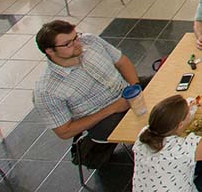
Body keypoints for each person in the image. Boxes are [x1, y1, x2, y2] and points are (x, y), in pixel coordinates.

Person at [32, 21, 146, 152]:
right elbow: (64, 132)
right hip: (104, 119)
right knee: (152, 126)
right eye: (68, 43)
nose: (77, 43)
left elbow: (122, 62)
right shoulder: (47, 91)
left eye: (76, 37)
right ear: (50, 51)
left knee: (169, 86)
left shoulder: (90, 40)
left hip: (128, 92)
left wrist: (135, 88)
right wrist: (113, 108)